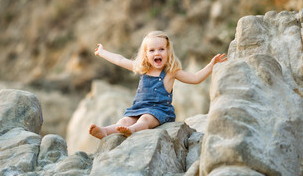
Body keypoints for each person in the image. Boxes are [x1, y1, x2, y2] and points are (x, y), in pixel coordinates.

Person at [89, 31, 227, 139]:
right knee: (124, 121)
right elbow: (120, 59)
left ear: (168, 51)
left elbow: (195, 78)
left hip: (159, 112)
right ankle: (105, 131)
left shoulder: (171, 72)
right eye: (152, 50)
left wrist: (211, 66)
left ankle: (133, 130)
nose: (157, 53)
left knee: (145, 119)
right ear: (146, 54)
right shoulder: (142, 68)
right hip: (138, 108)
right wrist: (102, 52)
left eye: (161, 49)